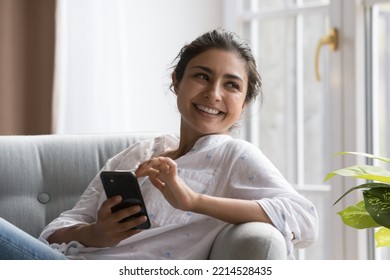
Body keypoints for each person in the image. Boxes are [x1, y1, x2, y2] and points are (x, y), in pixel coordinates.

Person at [0, 28, 317, 260]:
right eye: (202, 77)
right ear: (176, 81)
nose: (214, 94)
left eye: (231, 85)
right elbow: (54, 231)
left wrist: (192, 201)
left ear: (244, 103)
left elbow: (305, 219)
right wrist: (95, 233)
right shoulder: (140, 153)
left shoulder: (234, 155)